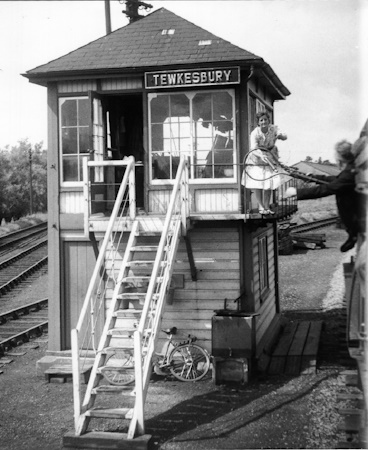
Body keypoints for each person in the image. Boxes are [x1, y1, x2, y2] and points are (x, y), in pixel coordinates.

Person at [284, 139, 364, 252]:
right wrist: (306, 176)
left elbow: (326, 189)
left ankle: (355, 236)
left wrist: (296, 192)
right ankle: (353, 236)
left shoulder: (349, 174)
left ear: (340, 158)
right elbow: (332, 180)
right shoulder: (351, 169)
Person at [242, 111, 288, 215]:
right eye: (261, 120)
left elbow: (285, 136)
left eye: (265, 119)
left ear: (268, 120)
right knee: (259, 183)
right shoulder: (255, 133)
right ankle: (261, 207)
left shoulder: (273, 128)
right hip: (257, 158)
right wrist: (260, 155)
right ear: (258, 122)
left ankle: (267, 206)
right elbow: (253, 147)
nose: (264, 122)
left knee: (269, 183)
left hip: (270, 156)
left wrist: (281, 136)